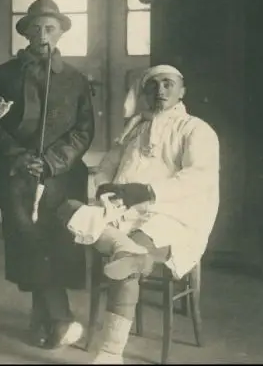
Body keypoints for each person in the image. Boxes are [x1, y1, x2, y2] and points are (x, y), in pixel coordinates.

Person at [65, 65, 220, 365]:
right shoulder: (135, 128)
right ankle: (126, 249)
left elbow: (198, 178)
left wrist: (148, 191)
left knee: (126, 263)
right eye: (153, 85)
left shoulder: (196, 130)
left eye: (168, 84)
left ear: (182, 91)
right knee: (68, 209)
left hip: (169, 215)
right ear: (144, 92)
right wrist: (104, 186)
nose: (160, 90)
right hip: (124, 211)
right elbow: (108, 166)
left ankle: (111, 352)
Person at [0, 0, 95, 349]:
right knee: (28, 240)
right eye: (36, 28)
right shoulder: (3, 76)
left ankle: (44, 317)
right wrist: (20, 158)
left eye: (50, 28)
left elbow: (84, 130)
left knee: (55, 243)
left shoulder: (75, 79)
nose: (43, 34)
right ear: (26, 33)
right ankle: (58, 317)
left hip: (61, 176)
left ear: (61, 32)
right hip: (16, 174)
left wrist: (50, 162)